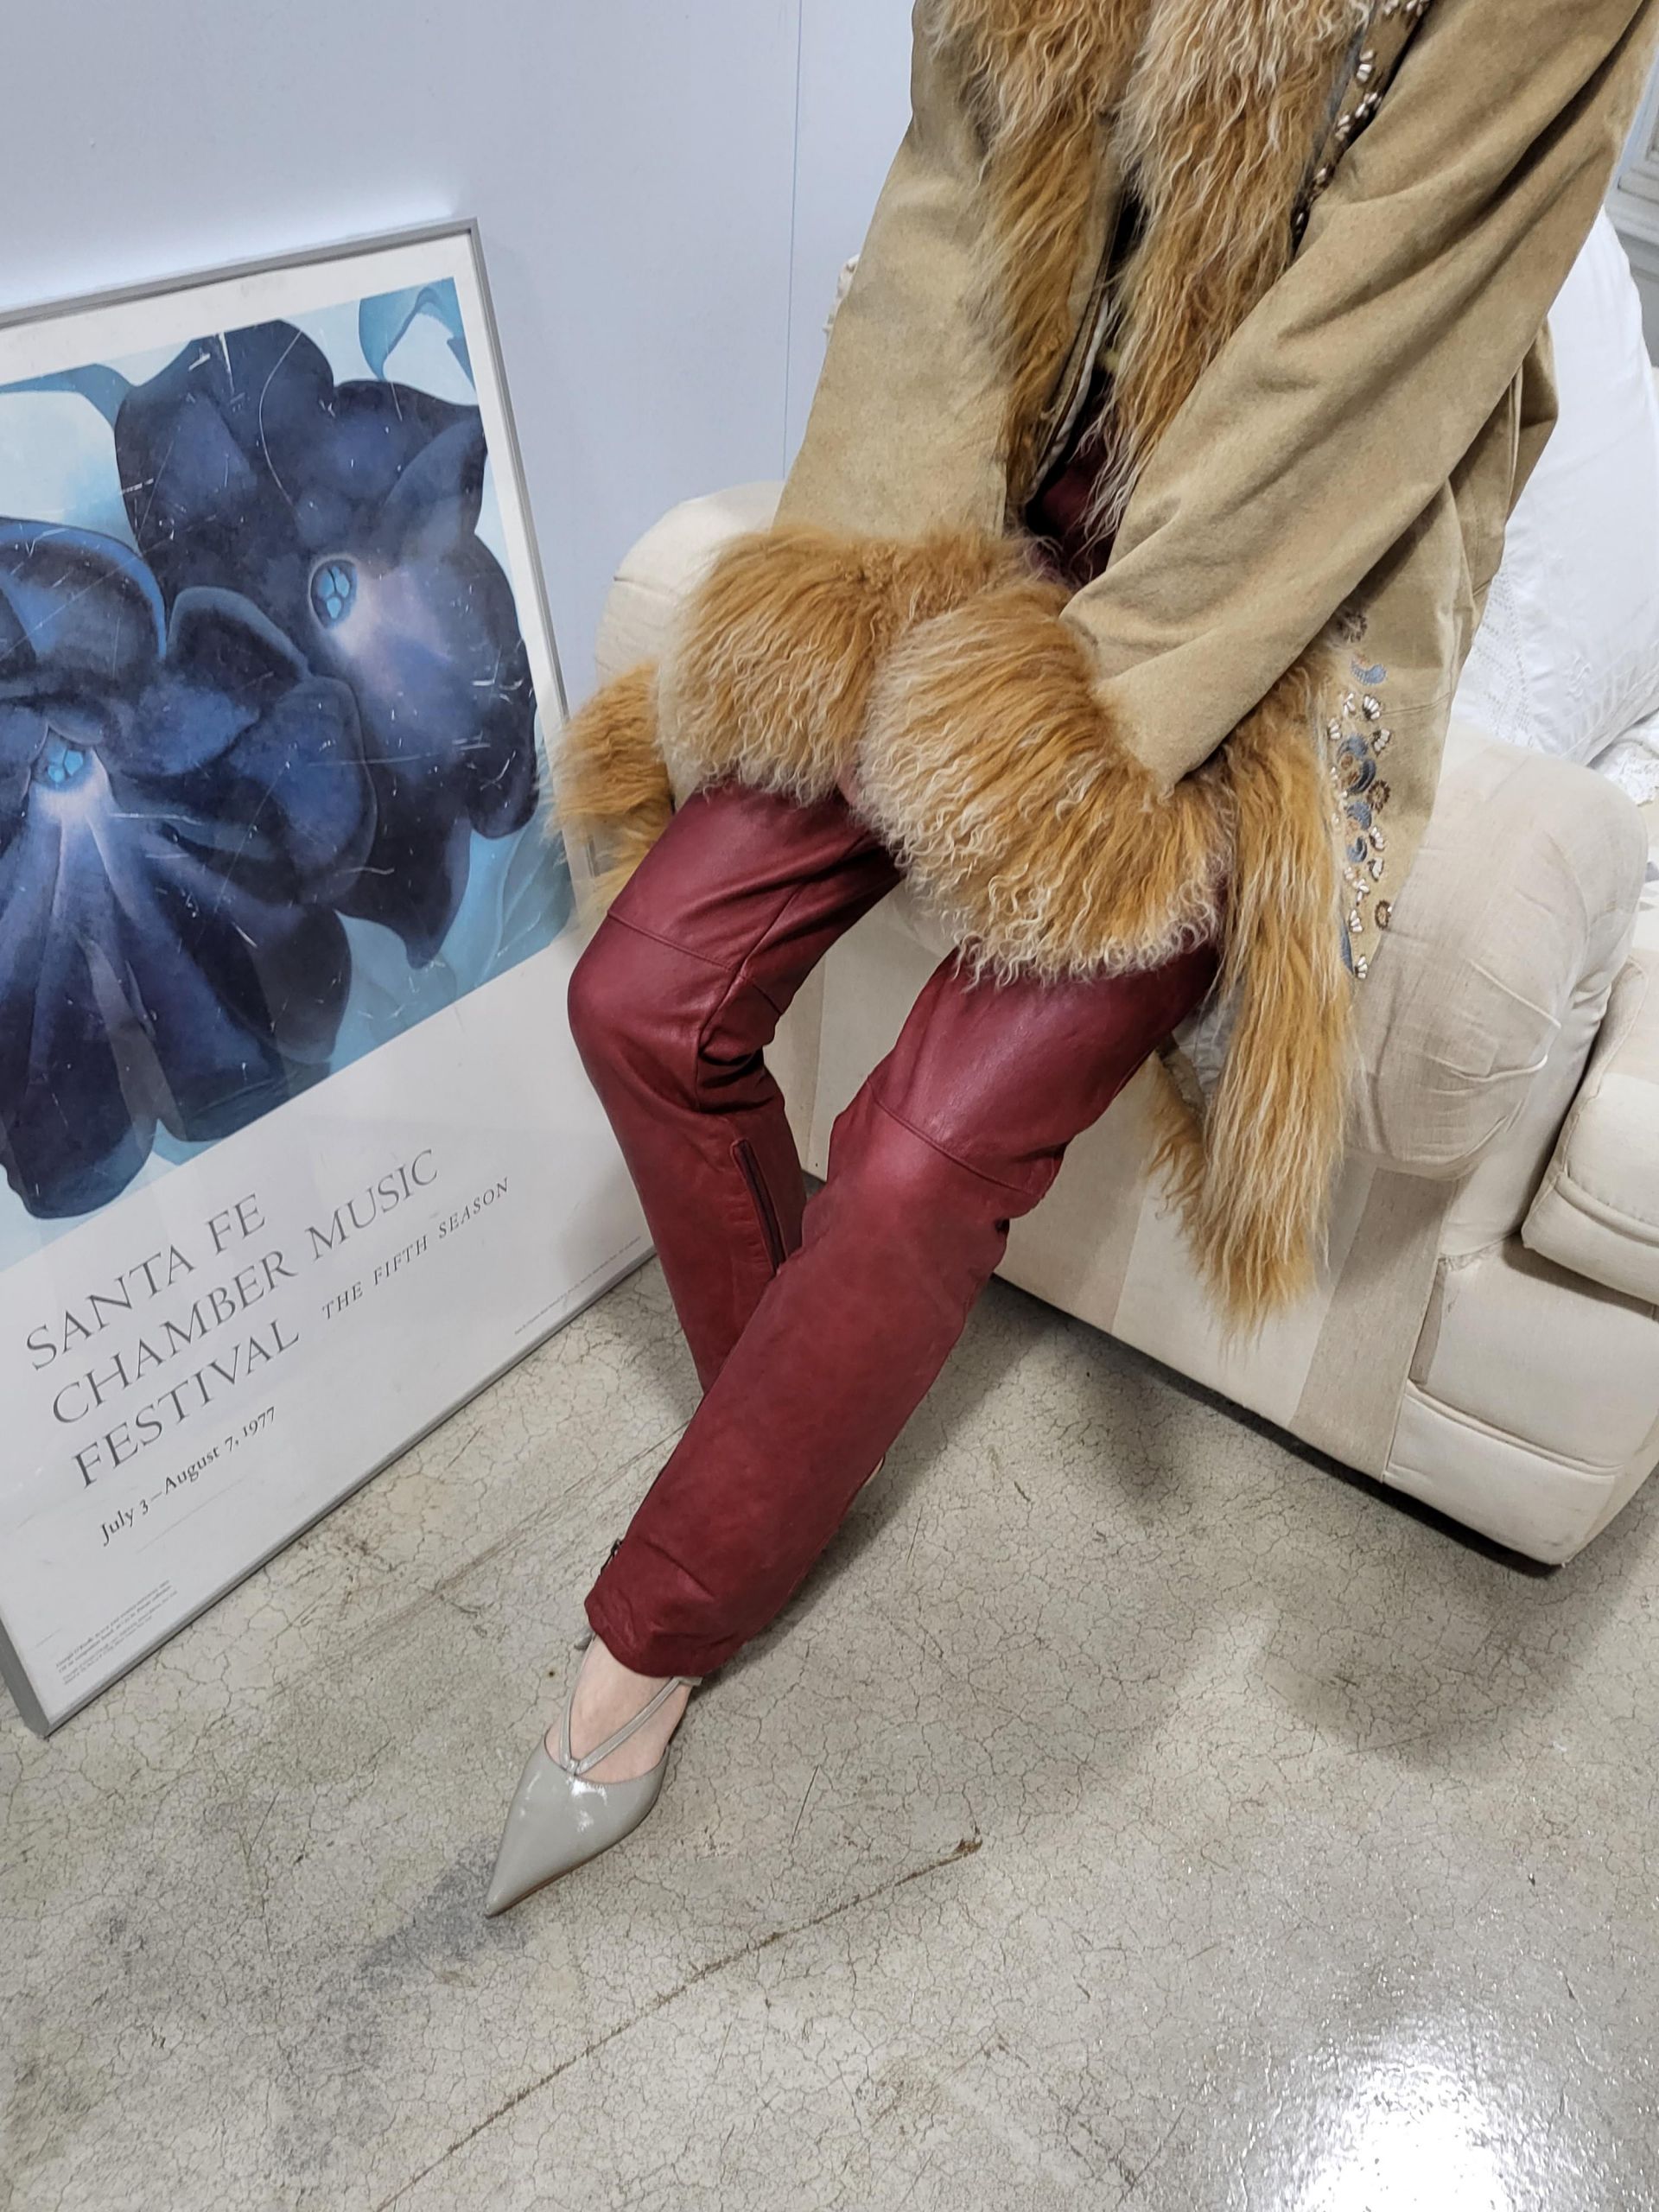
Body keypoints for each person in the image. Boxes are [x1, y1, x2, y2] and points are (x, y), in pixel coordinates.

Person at [486, 0, 1659, 1916]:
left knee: (921, 1155)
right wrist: (866, 575)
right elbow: (956, 192)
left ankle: (646, 1646)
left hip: (1281, 609)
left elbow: (1391, 342)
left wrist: (1091, 734)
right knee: (639, 994)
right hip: (999, 491)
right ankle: (785, 1439)